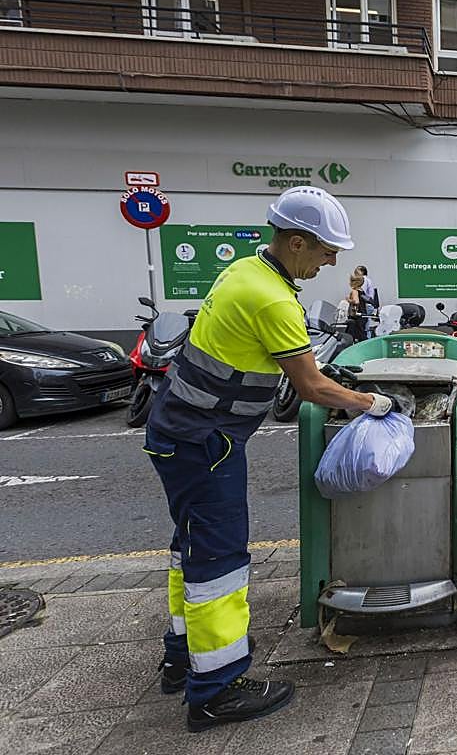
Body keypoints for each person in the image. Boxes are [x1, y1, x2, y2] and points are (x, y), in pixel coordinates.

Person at [143, 186, 400, 733]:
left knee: (187, 547)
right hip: (206, 443)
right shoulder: (274, 299)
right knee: (219, 562)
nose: (333, 260)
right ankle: (215, 689)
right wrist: (369, 402)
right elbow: (308, 386)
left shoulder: (245, 272)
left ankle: (182, 656)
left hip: (179, 431)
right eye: (328, 249)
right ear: (298, 242)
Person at [346, 273, 368, 342]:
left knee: (354, 334)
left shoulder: (354, 291)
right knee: (361, 333)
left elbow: (356, 302)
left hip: (356, 316)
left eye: (351, 281)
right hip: (363, 315)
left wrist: (348, 300)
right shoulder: (362, 291)